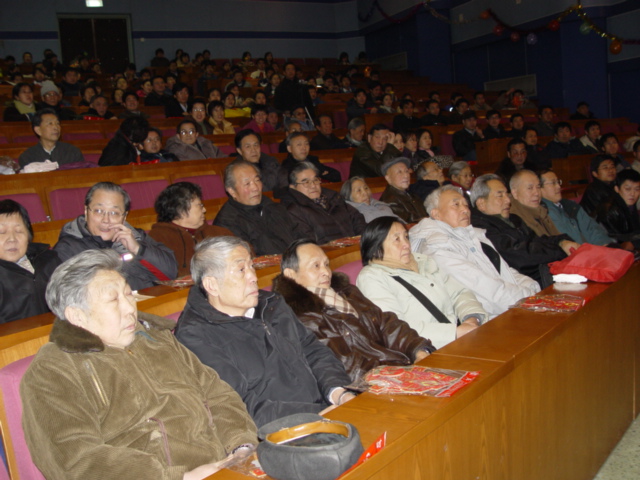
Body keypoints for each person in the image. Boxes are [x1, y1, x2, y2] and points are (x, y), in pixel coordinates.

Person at [22, 249, 258, 480]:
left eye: (128, 295)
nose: (130, 308)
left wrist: (241, 446)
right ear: (77, 316)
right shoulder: (53, 370)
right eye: (113, 300)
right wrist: (182, 477)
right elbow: (76, 461)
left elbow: (217, 394)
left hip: (225, 466)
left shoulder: (156, 339)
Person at [175, 236, 354, 427]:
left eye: (251, 266)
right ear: (212, 285)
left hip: (325, 410)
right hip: (279, 430)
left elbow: (313, 350)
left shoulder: (271, 304)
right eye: (241, 270)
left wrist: (337, 392)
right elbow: (239, 406)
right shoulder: (195, 336)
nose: (253, 277)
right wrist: (317, 415)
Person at [272, 239, 434, 381]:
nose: (326, 272)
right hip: (369, 385)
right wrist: (392, 375)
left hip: (397, 370)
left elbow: (386, 323)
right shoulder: (299, 317)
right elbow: (342, 366)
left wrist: (417, 349)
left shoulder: (347, 292)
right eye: (316, 266)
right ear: (291, 275)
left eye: (326, 264)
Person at [356, 217, 486, 349]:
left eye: (406, 237)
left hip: (458, 339)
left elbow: (459, 293)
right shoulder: (371, 277)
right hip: (423, 350)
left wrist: (471, 318)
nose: (406, 244)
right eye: (397, 239)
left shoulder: (423, 261)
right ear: (376, 248)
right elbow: (395, 328)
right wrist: (454, 333)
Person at [410, 186, 539, 318]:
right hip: (489, 320)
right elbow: (489, 294)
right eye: (456, 205)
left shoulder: (474, 236)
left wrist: (531, 286)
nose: (465, 210)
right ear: (436, 214)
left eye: (466, 205)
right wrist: (530, 296)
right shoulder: (436, 248)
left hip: (512, 307)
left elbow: (504, 271)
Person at [54, 182, 177, 290]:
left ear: (124, 217)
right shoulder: (68, 247)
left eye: (114, 213)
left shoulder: (135, 236)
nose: (106, 220)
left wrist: (138, 249)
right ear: (86, 211)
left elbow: (170, 274)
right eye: (98, 211)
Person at [470, 174, 577, 288]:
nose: (507, 200)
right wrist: (559, 249)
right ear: (481, 204)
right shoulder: (481, 228)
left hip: (545, 276)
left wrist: (561, 241)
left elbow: (537, 241)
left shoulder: (514, 219)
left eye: (507, 194)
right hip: (526, 286)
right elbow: (520, 256)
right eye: (500, 195)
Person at [213, 160, 307, 255]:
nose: (255, 188)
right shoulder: (227, 223)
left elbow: (299, 235)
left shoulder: (274, 207)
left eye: (257, 180)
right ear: (232, 191)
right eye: (247, 183)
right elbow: (245, 258)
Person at [148, 183, 233, 277]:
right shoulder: (157, 239)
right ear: (181, 209)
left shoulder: (220, 233)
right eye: (200, 205)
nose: (204, 210)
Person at [0, 199, 60, 323]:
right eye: (2, 232)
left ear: (29, 235)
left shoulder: (50, 260)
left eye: (19, 231)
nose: (12, 239)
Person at [286, 162, 366, 244]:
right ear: (293, 187)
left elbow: (357, 218)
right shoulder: (294, 211)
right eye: (306, 182)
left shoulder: (334, 199)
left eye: (315, 180)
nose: (313, 185)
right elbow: (308, 242)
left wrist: (361, 240)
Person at [540, 170, 618, 247]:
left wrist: (605, 245)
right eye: (553, 183)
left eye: (558, 182)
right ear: (539, 189)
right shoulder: (544, 212)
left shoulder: (570, 205)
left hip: (595, 250)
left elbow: (592, 228)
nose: (558, 186)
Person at [276, 132, 341, 197]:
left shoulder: (313, 160)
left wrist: (320, 176)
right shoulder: (286, 167)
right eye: (299, 144)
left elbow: (336, 175)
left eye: (306, 144)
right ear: (289, 148)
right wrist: (320, 176)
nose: (304, 148)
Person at [18, 109, 84, 169]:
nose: (56, 127)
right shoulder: (28, 157)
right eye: (50, 124)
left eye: (57, 123)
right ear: (38, 130)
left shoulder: (72, 152)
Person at [508, 170, 567, 237]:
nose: (536, 193)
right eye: (530, 188)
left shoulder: (541, 211)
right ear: (515, 193)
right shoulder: (515, 219)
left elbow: (558, 237)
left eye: (538, 187)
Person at [593, 169, 640, 246]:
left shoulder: (628, 202)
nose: (632, 193)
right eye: (627, 189)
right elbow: (616, 242)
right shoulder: (610, 210)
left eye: (637, 189)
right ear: (617, 189)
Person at [380, 157, 428, 223]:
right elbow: (407, 225)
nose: (406, 175)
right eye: (399, 172)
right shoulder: (389, 201)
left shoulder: (412, 195)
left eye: (406, 171)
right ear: (388, 178)